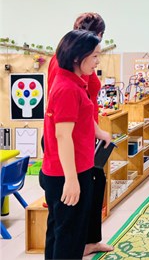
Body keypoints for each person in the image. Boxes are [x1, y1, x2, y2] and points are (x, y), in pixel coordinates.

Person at [40, 30, 112, 259]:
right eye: (94, 56)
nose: (98, 61)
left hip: (73, 168)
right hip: (67, 172)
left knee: (61, 231)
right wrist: (71, 180)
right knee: (69, 237)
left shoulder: (73, 82)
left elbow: (81, 117)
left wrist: (99, 132)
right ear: (76, 57)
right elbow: (63, 136)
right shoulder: (67, 88)